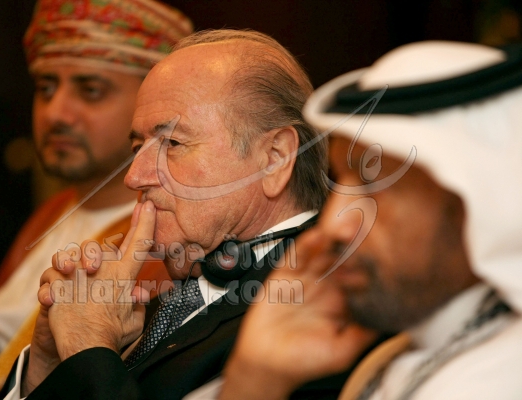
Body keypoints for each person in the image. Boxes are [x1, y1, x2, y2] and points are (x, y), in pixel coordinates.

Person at [0, 28, 337, 399]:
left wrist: (88, 348)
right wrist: (47, 364)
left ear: (274, 159)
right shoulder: (154, 299)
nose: (133, 176)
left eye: (172, 143)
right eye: (137, 147)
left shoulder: (322, 311)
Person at [195, 40, 522, 399]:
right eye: (339, 180)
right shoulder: (414, 353)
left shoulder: (495, 382)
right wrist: (258, 374)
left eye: (373, 187)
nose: (334, 225)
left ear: (477, 201)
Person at [0, 1, 193, 399]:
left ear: (155, 106)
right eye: (46, 88)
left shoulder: (164, 243)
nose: (56, 113)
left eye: (91, 90)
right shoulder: (54, 211)